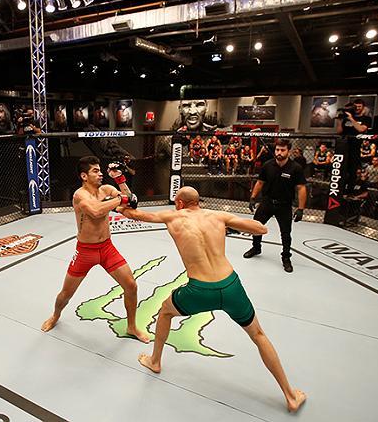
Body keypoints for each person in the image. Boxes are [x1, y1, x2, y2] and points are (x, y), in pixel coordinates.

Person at [118, 186, 306, 413]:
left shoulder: (172, 216)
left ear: (179, 203)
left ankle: (155, 361)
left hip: (199, 290)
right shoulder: (218, 216)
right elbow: (261, 229)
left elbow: (134, 214)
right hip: (230, 287)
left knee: (165, 312)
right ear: (198, 202)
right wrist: (230, 224)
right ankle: (289, 394)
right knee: (258, 335)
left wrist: (122, 205)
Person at [41, 156, 149, 343]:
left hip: (107, 248)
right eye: (95, 171)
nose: (100, 174)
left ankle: (131, 327)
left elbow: (131, 201)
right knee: (66, 294)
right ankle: (55, 315)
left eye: (101, 170)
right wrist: (120, 199)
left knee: (131, 286)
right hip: (85, 252)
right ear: (84, 176)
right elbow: (97, 211)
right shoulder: (79, 195)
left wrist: (120, 180)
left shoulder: (106, 189)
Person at [243, 139, 307, 273]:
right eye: (277, 149)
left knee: (285, 233)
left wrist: (301, 209)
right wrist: (253, 198)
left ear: (288, 151)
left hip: (284, 205)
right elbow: (260, 182)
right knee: (256, 227)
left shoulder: (295, 168)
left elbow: (301, 188)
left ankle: (286, 257)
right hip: (267, 202)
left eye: (282, 150)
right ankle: (256, 247)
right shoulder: (268, 165)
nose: (279, 152)